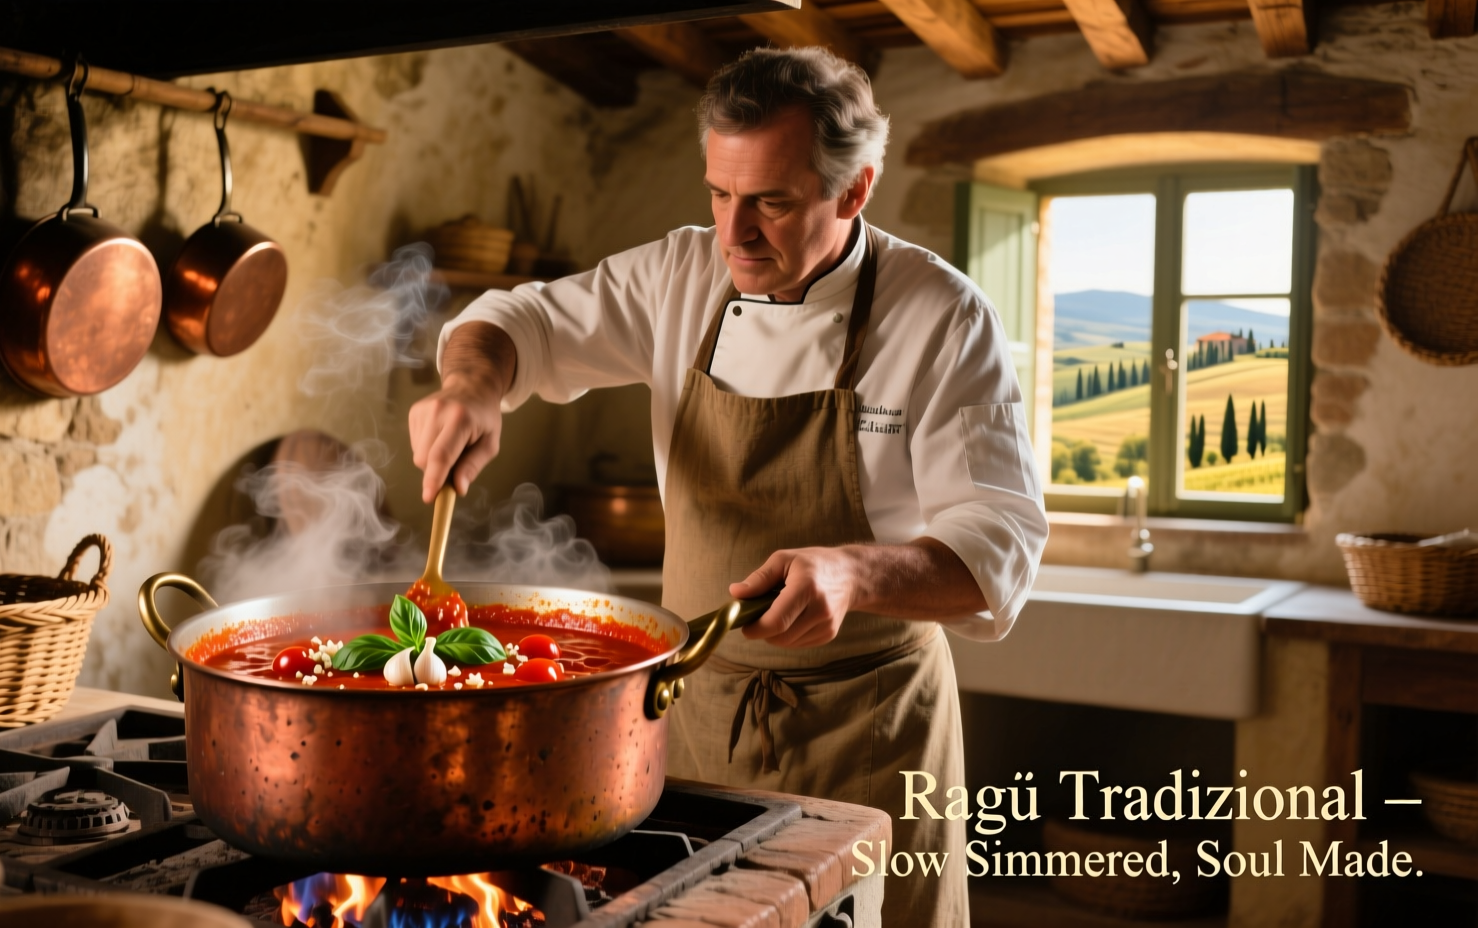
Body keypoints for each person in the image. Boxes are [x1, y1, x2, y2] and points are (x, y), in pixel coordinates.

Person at [408, 47, 1046, 927]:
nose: (734, 234)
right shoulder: (681, 275)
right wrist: (473, 385)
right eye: (719, 194)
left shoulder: (942, 315)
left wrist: (854, 575)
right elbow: (519, 321)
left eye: (772, 203)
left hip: (868, 737)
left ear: (854, 191)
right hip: (694, 714)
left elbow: (1000, 549)